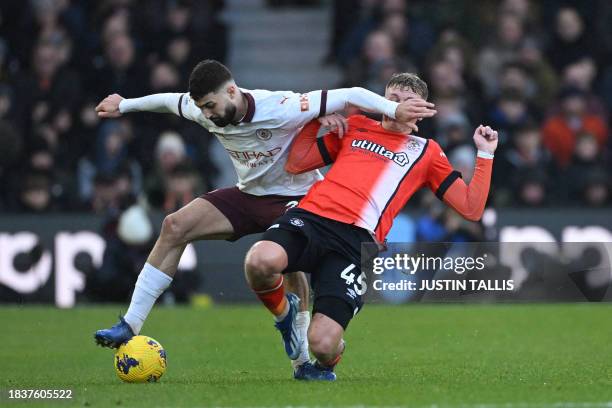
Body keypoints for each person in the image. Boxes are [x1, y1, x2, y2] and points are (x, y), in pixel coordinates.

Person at [92, 59, 431, 375]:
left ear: (231, 91)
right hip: (249, 195)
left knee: (291, 262)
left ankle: (302, 364)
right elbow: (168, 101)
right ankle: (130, 324)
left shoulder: (280, 106)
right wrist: (124, 104)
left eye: (210, 105)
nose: (206, 113)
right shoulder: (201, 110)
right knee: (174, 226)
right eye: (200, 107)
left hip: (298, 197)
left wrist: (392, 108)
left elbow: (351, 95)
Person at [244, 73, 498, 380]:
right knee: (260, 261)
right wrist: (318, 121)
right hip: (311, 218)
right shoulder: (356, 126)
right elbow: (296, 163)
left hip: (354, 242)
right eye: (391, 98)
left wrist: (485, 153)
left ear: (420, 109)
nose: (397, 105)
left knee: (323, 344)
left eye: (406, 101)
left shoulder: (426, 151)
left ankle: (328, 361)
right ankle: (286, 317)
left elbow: (471, 208)